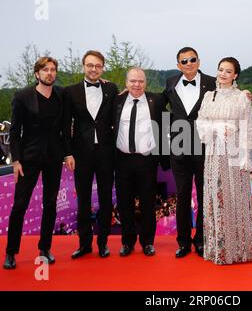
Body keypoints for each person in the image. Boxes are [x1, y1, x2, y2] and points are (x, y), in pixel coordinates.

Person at [3, 57, 64, 269]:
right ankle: (11, 252)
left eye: (53, 70)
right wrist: (16, 159)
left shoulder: (61, 95)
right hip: (28, 158)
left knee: (50, 203)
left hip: (54, 158)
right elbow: (14, 131)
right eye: (45, 70)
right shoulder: (23, 97)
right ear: (37, 73)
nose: (50, 73)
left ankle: (45, 248)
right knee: (20, 205)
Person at [196, 57, 252, 265]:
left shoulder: (242, 97)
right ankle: (218, 248)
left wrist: (246, 158)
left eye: (228, 71)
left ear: (235, 75)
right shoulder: (208, 96)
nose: (222, 74)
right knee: (216, 197)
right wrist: (214, 128)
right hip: (213, 152)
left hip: (235, 152)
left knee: (236, 197)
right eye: (220, 70)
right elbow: (200, 121)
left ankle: (239, 249)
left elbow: (248, 126)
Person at [63, 50, 118, 259]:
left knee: (105, 199)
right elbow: (65, 125)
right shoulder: (70, 91)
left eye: (97, 65)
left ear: (103, 67)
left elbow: (118, 110)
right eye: (90, 65)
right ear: (83, 66)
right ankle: (84, 243)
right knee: (83, 200)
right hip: (81, 154)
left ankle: (103, 242)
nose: (94, 69)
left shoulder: (111, 88)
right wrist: (68, 153)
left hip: (106, 153)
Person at [162, 47, 216, 258]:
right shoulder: (170, 83)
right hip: (179, 146)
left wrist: (244, 94)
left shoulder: (213, 83)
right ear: (178, 65)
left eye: (192, 59)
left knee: (204, 196)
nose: (189, 63)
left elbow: (227, 97)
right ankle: (183, 242)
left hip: (205, 146)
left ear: (199, 61)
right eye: (184, 61)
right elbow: (159, 105)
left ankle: (201, 240)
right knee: (182, 196)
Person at [113, 67, 169, 257]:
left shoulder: (157, 100)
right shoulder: (116, 100)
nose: (137, 85)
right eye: (133, 81)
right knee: (124, 202)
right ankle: (127, 242)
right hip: (122, 159)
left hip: (147, 160)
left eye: (141, 81)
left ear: (146, 83)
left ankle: (147, 242)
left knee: (147, 202)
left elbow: (177, 101)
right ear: (126, 82)